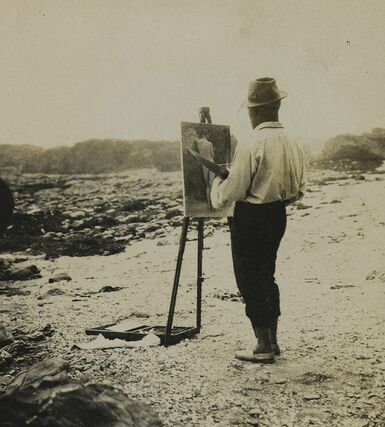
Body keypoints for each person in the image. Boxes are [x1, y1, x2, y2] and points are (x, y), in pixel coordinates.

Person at [210, 77, 306, 363]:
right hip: (277, 215)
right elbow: (298, 189)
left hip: (250, 217)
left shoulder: (252, 142)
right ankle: (272, 341)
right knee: (267, 274)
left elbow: (234, 191)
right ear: (276, 107)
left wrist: (217, 183)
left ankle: (262, 346)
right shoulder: (292, 140)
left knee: (249, 278)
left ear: (254, 111)